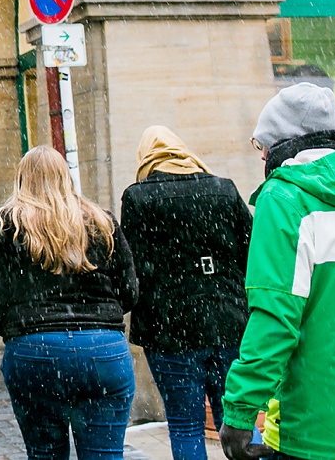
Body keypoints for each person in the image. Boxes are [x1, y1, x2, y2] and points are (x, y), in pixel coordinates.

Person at [218, 83, 335, 460]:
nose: (262, 159)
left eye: (262, 146)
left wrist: (240, 412)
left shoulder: (286, 199)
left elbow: (275, 320)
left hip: (323, 429)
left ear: (281, 146)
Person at [0, 146, 139, 460]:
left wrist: (18, 330)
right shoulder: (101, 223)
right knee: (105, 454)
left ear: (22, 179)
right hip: (102, 350)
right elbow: (129, 290)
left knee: (44, 453)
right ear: (65, 177)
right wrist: (100, 319)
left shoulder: (3, 226)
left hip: (34, 351)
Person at [119, 126, 251, 460]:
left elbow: (136, 270)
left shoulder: (138, 197)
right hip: (229, 323)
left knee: (184, 426)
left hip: (170, 332)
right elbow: (250, 255)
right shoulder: (223, 189)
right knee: (237, 419)